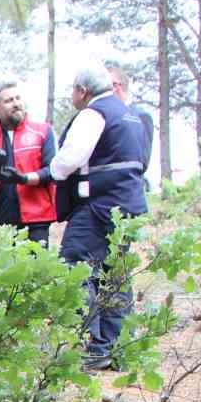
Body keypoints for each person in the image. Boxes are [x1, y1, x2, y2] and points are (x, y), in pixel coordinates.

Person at [50, 62, 149, 371]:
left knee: (77, 269)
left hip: (97, 207)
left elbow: (68, 160)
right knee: (115, 276)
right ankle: (114, 347)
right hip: (128, 208)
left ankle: (88, 346)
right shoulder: (130, 116)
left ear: (83, 90)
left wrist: (51, 170)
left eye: (73, 90)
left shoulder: (94, 114)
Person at [0, 80, 57, 246]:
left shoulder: (43, 131)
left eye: (18, 98)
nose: (16, 104)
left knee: (35, 263)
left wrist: (24, 178)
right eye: (9, 101)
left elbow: (53, 171)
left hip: (35, 220)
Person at [107, 63, 155, 190]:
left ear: (116, 86)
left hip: (128, 190)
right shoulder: (105, 116)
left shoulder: (141, 116)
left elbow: (143, 161)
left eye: (105, 87)